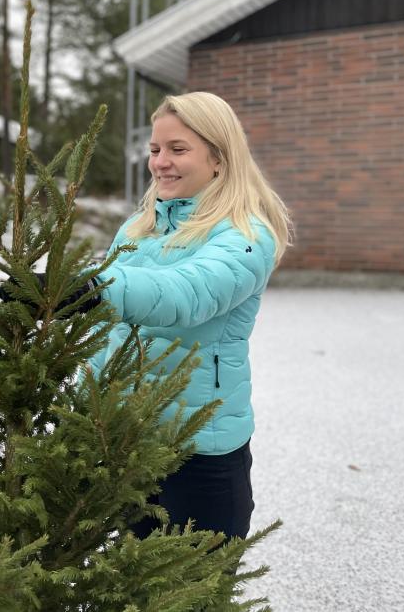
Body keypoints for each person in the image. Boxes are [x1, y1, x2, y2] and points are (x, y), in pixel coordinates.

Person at [88, 91, 292, 541]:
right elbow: (112, 330)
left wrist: (88, 287)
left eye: (178, 150)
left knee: (194, 592)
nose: (161, 162)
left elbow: (186, 295)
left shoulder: (246, 234)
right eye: (155, 150)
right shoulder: (139, 228)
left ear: (219, 158)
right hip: (129, 440)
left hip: (200, 451)